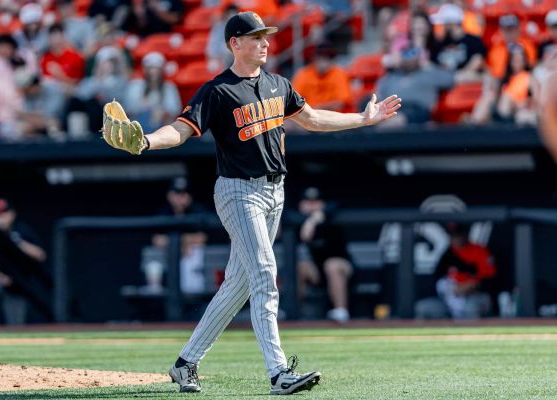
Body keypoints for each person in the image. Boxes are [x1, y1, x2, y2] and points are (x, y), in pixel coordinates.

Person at [103, 11, 401, 395]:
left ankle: (185, 363)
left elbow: (312, 119)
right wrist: (146, 141)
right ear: (235, 43)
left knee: (238, 286)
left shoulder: (278, 83)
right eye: (256, 36)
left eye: (266, 36)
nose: (265, 42)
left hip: (275, 191)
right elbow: (180, 130)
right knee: (264, 274)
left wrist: (362, 118)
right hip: (238, 191)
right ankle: (279, 373)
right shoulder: (218, 91)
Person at [0, 198, 52, 324]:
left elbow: (40, 255)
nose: (0, 217)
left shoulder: (21, 231)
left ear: (12, 214)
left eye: (4, 213)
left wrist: (16, 241)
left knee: (16, 323)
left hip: (22, 283)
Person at [296, 187, 354, 323]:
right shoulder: (299, 219)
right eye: (308, 202)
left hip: (343, 269)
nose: (312, 205)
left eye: (315, 202)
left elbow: (335, 206)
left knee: (332, 265)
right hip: (317, 271)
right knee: (301, 266)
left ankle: (341, 311)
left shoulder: (330, 215)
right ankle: (296, 312)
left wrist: (315, 218)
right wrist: (309, 220)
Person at [415, 223, 496, 319]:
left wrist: (472, 285)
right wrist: (449, 289)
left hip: (474, 296)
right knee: (422, 308)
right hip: (450, 301)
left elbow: (491, 280)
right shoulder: (447, 254)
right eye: (453, 235)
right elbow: (437, 279)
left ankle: (472, 334)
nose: (456, 238)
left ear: (465, 234)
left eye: (458, 235)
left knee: (471, 308)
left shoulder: (479, 251)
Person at [151, 177, 208, 295]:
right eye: (177, 193)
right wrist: (180, 245)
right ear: (169, 195)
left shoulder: (196, 211)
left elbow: (202, 238)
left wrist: (179, 242)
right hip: (168, 260)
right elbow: (156, 240)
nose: (181, 197)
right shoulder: (164, 212)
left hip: (193, 262)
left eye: (184, 193)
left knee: (192, 258)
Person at [376, 46, 453, 125]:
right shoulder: (390, 77)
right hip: (393, 109)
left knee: (400, 118)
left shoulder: (430, 73)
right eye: (405, 54)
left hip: (417, 110)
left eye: (413, 53)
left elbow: (450, 80)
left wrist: (429, 64)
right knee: (368, 103)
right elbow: (379, 95)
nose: (409, 58)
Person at [123, 52, 181, 132]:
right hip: (137, 127)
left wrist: (162, 112)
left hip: (161, 127)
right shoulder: (135, 85)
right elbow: (128, 109)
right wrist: (143, 108)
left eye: (157, 68)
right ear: (145, 69)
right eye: (150, 68)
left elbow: (175, 110)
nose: (153, 72)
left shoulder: (169, 87)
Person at [430, 4, 487, 82]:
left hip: (465, 83)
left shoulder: (473, 41)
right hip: (444, 84)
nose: (442, 26)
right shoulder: (440, 43)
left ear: (452, 23)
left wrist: (461, 75)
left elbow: (478, 60)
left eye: (444, 23)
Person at [291, 45, 352, 112]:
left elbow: (341, 103)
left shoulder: (339, 73)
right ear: (314, 58)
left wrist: (315, 108)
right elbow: (294, 102)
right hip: (307, 116)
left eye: (326, 57)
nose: (322, 60)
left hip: (333, 115)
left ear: (331, 59)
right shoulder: (303, 74)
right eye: (320, 57)